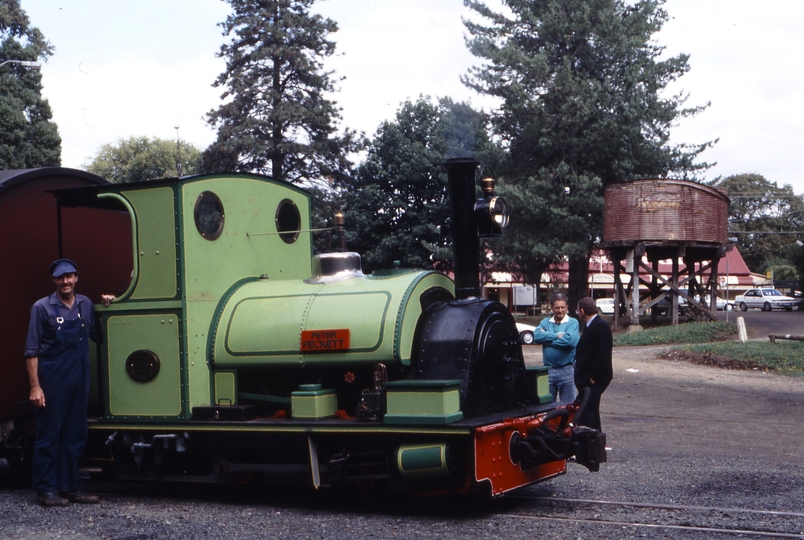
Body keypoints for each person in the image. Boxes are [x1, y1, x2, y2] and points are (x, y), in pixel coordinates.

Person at [24, 259, 107, 507]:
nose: (65, 282)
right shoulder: (41, 308)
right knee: (49, 435)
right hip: (53, 380)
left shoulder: (86, 305)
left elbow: (99, 336)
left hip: (79, 378)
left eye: (69, 276)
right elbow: (31, 351)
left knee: (75, 435)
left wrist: (109, 305)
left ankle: (69, 488)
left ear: (76, 278)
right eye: (60, 278)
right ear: (54, 281)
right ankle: (46, 490)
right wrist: (35, 387)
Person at [574, 296, 613, 431]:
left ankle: (589, 440)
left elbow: (603, 354)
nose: (577, 312)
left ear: (582, 311)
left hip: (594, 379)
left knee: (586, 410)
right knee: (590, 409)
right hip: (587, 378)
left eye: (577, 310)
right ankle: (595, 441)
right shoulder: (590, 326)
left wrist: (593, 377)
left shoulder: (600, 326)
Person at [532, 293, 580, 403]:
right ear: (552, 307)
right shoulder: (545, 322)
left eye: (563, 307)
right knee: (546, 406)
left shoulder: (573, 322)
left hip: (566, 370)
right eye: (557, 307)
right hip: (547, 370)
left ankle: (568, 421)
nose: (560, 310)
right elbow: (537, 336)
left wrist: (548, 341)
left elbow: (570, 341)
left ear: (567, 307)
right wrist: (555, 335)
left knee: (568, 406)